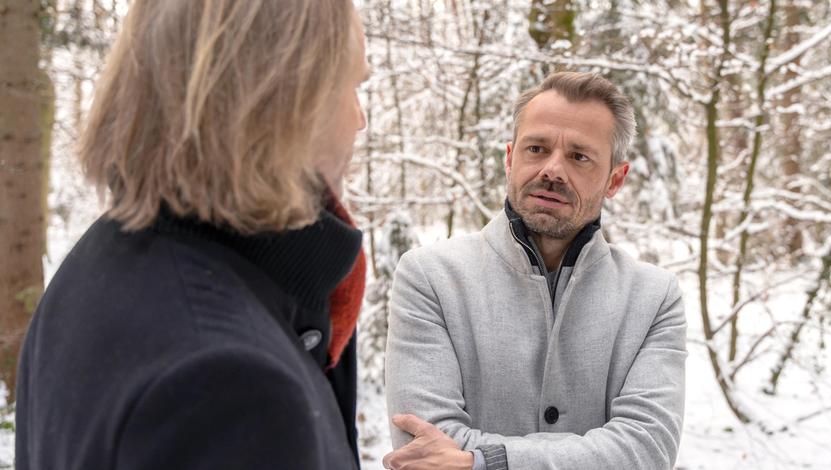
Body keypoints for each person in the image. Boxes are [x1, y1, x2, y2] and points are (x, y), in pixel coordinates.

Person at [15, 1, 369, 468]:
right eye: (352, 88)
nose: (360, 120)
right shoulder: (232, 385)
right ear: (285, 98)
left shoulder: (102, 259)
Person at [384, 71, 687, 470]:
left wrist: (485, 461)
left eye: (579, 156)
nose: (553, 170)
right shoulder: (430, 279)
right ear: (510, 158)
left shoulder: (654, 298)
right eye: (537, 149)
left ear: (615, 179)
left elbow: (645, 450)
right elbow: (421, 447)